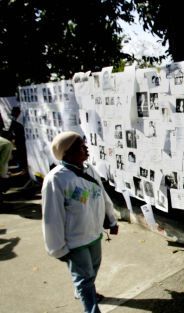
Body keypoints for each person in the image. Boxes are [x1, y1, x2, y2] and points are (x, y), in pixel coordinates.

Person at [42, 131, 119, 313]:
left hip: (93, 234)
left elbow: (102, 195)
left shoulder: (89, 170)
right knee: (84, 278)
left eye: (84, 145)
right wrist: (57, 248)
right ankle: (91, 307)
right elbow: (51, 218)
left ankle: (83, 291)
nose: (86, 149)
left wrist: (112, 220)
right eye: (80, 146)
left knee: (92, 270)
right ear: (66, 153)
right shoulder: (56, 179)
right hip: (75, 241)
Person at [8, 107, 27, 172]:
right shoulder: (16, 120)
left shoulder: (17, 121)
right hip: (20, 140)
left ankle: (23, 167)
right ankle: (22, 167)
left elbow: (11, 130)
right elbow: (11, 131)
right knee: (21, 154)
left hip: (21, 140)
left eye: (13, 113)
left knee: (21, 153)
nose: (12, 114)